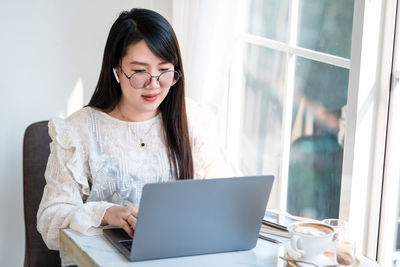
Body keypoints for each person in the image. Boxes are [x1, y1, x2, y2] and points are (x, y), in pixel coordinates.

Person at [37, 8, 228, 266]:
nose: (154, 84)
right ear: (117, 69)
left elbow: (223, 193)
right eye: (140, 71)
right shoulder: (78, 132)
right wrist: (106, 213)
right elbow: (50, 220)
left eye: (165, 70)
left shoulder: (192, 118)